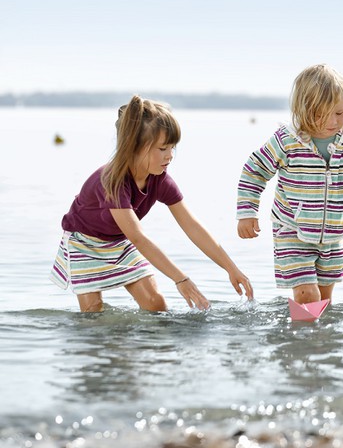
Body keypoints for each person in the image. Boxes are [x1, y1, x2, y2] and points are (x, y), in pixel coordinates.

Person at [51, 95, 253, 312]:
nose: (170, 156)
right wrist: (181, 279)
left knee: (156, 303)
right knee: (93, 312)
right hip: (85, 243)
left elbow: (192, 226)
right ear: (134, 147)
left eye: (172, 148)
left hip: (120, 240)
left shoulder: (160, 179)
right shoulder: (113, 181)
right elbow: (138, 237)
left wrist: (231, 269)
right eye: (162, 148)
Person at [236, 64, 343, 305]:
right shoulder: (287, 141)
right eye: (321, 114)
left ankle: (319, 342)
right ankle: (301, 340)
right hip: (291, 230)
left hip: (333, 235)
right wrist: (247, 212)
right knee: (307, 295)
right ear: (304, 110)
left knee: (324, 299)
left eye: (339, 113)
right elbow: (254, 171)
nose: (332, 122)